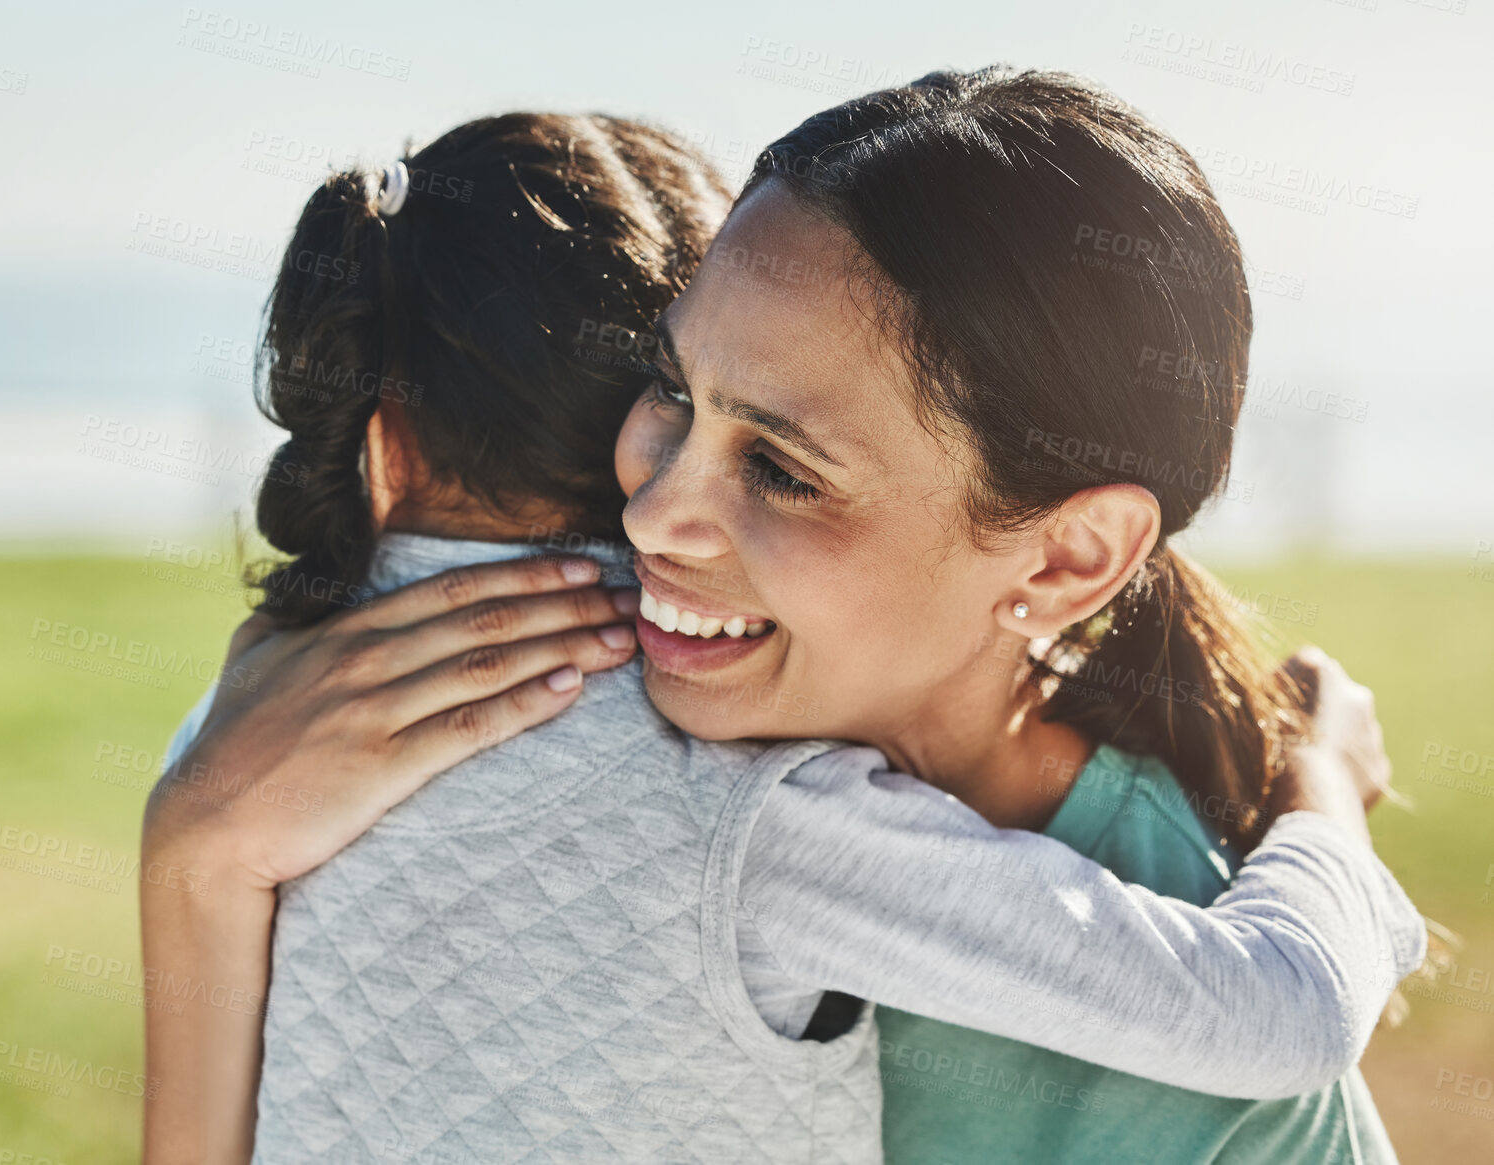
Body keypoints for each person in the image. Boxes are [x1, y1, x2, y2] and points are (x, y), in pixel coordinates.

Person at [142, 88, 1420, 1165]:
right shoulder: (435, 742)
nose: (653, 519)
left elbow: (1283, 1016)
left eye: (785, 471)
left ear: (1071, 554)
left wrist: (1318, 784)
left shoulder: (1172, 1041)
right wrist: (196, 848)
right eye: (669, 389)